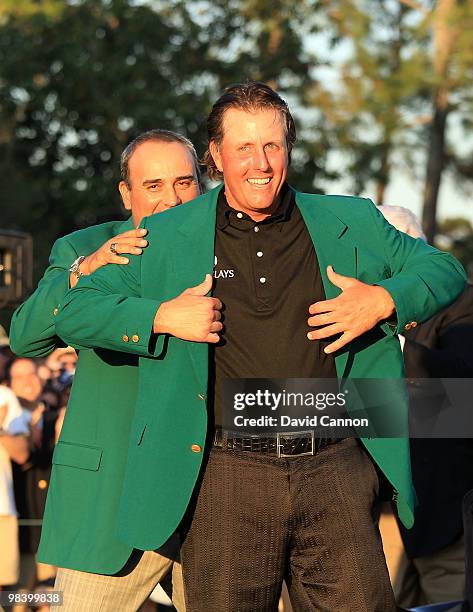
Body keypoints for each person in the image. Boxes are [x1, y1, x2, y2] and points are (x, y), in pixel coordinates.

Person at [54, 82, 466, 611]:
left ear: (289, 149)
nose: (260, 163)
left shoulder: (351, 219)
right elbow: (78, 308)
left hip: (336, 466)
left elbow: (444, 268)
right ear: (216, 157)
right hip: (226, 475)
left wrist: (384, 300)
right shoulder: (167, 234)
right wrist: (160, 315)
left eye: (272, 146)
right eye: (244, 148)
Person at [9, 129, 201, 611]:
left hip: (209, 500)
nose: (171, 199)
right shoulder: (83, 246)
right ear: (126, 193)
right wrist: (84, 271)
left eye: (184, 183)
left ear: (204, 184)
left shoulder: (231, 250)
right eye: (153, 185)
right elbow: (26, 336)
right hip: (108, 499)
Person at [379, 205, 473, 608]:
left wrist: (395, 346)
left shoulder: (462, 303)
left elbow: (461, 397)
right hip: (389, 522)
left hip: (448, 519)